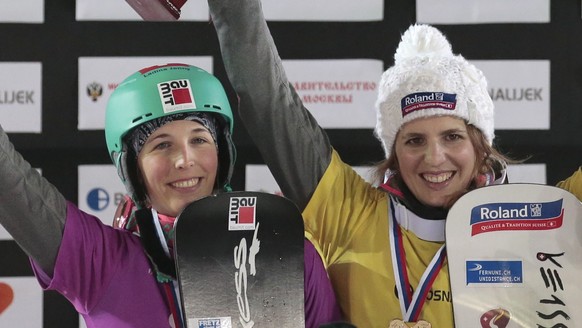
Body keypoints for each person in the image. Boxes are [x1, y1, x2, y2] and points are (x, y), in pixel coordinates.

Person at [206, 0, 523, 326]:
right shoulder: (349, 211)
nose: (434, 157)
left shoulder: (534, 227)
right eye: (414, 140)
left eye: (452, 136)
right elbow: (267, 100)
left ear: (481, 145)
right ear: (394, 152)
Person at [0, 63, 342, 327]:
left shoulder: (286, 252)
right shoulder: (98, 262)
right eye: (162, 145)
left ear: (223, 153)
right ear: (131, 167)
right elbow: (13, 186)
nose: (185, 160)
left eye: (199, 139)